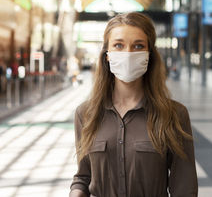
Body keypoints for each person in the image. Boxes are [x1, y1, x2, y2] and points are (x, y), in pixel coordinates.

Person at [69, 12, 198, 197]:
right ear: (107, 55)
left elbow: (185, 189)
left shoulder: (174, 114)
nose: (128, 54)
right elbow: (83, 176)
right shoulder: (85, 114)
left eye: (138, 46)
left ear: (149, 55)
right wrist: (77, 192)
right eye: (118, 45)